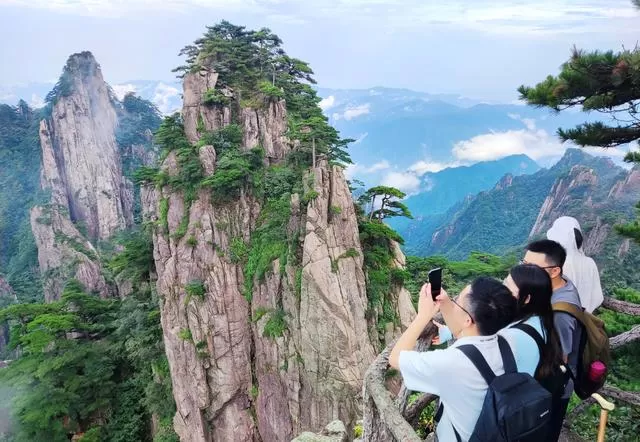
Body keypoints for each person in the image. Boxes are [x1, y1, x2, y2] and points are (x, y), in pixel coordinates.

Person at [389, 277, 517, 442]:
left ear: (468, 320)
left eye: (457, 301)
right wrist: (447, 304)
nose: (454, 302)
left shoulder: (451, 363)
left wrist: (422, 316)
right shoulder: (507, 340)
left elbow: (395, 358)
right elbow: (463, 333)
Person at [522, 239, 583, 441]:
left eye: (531, 268)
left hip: (553, 389)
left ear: (554, 271)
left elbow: (560, 359)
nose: (524, 271)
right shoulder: (557, 286)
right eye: (523, 264)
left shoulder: (560, 312)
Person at [546, 216, 603, 313]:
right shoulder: (590, 262)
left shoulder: (556, 265)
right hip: (584, 320)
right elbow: (598, 298)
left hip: (559, 320)